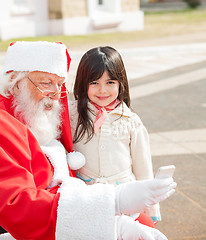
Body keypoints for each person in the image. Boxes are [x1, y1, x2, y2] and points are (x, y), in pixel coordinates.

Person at [0, 41, 176, 240]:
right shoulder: (4, 125)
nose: (56, 95)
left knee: (143, 223)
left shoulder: (37, 113)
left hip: (73, 202)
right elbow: (16, 205)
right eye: (46, 83)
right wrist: (115, 203)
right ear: (16, 85)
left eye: (59, 84)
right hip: (41, 223)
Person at [69, 46, 162, 226]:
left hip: (124, 199)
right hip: (85, 198)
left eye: (110, 82)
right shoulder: (72, 116)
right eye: (94, 83)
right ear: (83, 83)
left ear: (121, 83)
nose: (102, 90)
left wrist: (152, 210)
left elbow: (144, 170)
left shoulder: (131, 121)